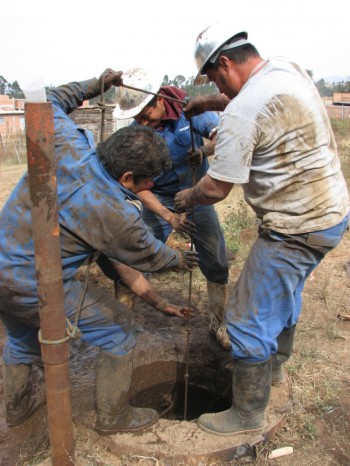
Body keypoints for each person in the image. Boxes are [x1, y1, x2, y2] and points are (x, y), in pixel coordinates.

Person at [0, 69, 198, 435]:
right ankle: (113, 417)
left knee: (22, 339)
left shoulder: (64, 139)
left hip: (1, 273)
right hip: (36, 285)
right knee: (120, 329)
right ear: (126, 179)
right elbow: (148, 254)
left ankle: (16, 407)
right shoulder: (114, 212)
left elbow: (49, 99)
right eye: (144, 183)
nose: (145, 189)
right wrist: (178, 259)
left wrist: (96, 85)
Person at [174, 23, 350, 436]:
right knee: (285, 293)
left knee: (246, 316)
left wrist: (187, 198)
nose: (220, 88)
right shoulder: (284, 69)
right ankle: (272, 371)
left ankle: (247, 415)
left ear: (225, 63)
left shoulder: (241, 112)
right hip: (331, 215)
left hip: (295, 227)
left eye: (216, 78)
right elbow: (242, 93)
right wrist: (202, 104)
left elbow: (217, 187)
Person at [113, 68, 230, 350]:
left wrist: (205, 151)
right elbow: (139, 188)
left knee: (215, 257)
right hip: (158, 200)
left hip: (197, 194)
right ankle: (124, 326)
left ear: (158, 100)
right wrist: (169, 216)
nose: (141, 122)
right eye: (136, 118)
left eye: (144, 114)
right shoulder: (135, 136)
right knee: (135, 254)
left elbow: (222, 136)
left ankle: (218, 321)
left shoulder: (189, 111)